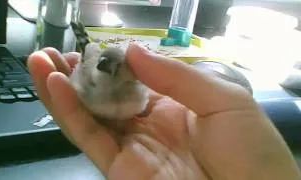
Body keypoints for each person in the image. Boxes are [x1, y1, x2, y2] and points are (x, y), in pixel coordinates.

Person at [27, 44, 301, 179]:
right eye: (103, 65)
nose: (105, 70)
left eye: (114, 67)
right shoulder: (89, 82)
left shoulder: (137, 89)